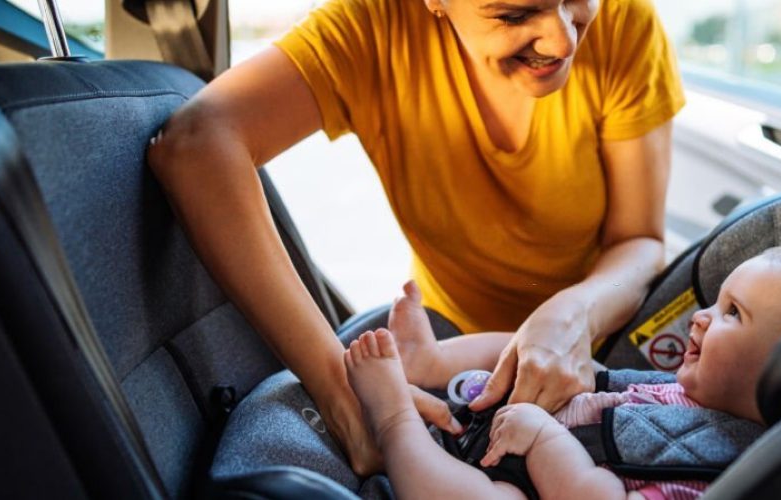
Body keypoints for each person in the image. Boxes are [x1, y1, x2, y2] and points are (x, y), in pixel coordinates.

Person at [146, 0, 684, 474]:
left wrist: (573, 315)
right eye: (515, 14)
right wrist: (345, 399)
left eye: (574, 0)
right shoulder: (372, 27)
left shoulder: (626, 20)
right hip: (453, 347)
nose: (562, 39)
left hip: (607, 333)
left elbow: (637, 240)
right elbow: (194, 145)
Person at [345, 246, 781, 499]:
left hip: (532, 480)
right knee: (551, 354)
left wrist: (542, 441)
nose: (701, 316)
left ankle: (392, 420)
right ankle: (431, 362)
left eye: (732, 314)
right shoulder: (694, 395)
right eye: (717, 302)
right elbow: (606, 393)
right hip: (514, 430)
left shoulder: (722, 476)